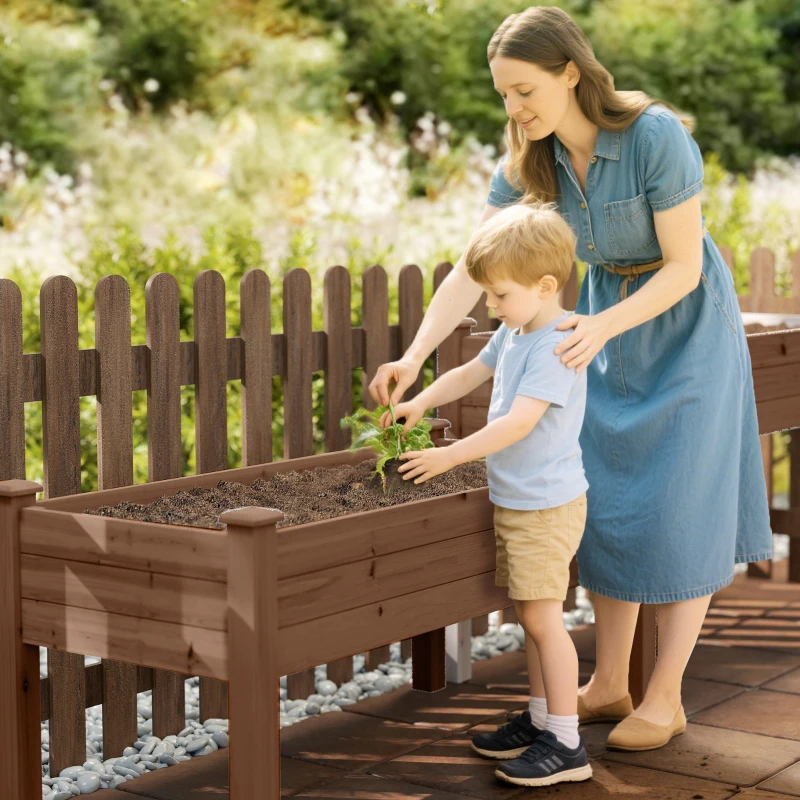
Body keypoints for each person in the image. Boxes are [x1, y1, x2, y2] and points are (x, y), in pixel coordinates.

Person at [369, 5, 772, 753]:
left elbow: (684, 266)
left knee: (678, 506)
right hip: (600, 325)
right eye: (503, 96)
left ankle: (665, 695)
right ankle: (610, 682)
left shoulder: (654, 136)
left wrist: (603, 326)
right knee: (611, 499)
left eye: (524, 90)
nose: (514, 110)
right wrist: (417, 355)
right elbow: (472, 263)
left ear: (570, 73)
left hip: (678, 325)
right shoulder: (531, 159)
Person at [384, 202, 592, 787]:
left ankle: (567, 743)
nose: (490, 307)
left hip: (546, 505)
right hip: (521, 499)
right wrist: (422, 399)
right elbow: (470, 373)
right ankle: (541, 719)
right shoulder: (518, 329)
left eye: (499, 295)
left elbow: (517, 424)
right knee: (532, 615)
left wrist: (450, 454)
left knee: (546, 620)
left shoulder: (556, 344)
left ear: (544, 285)